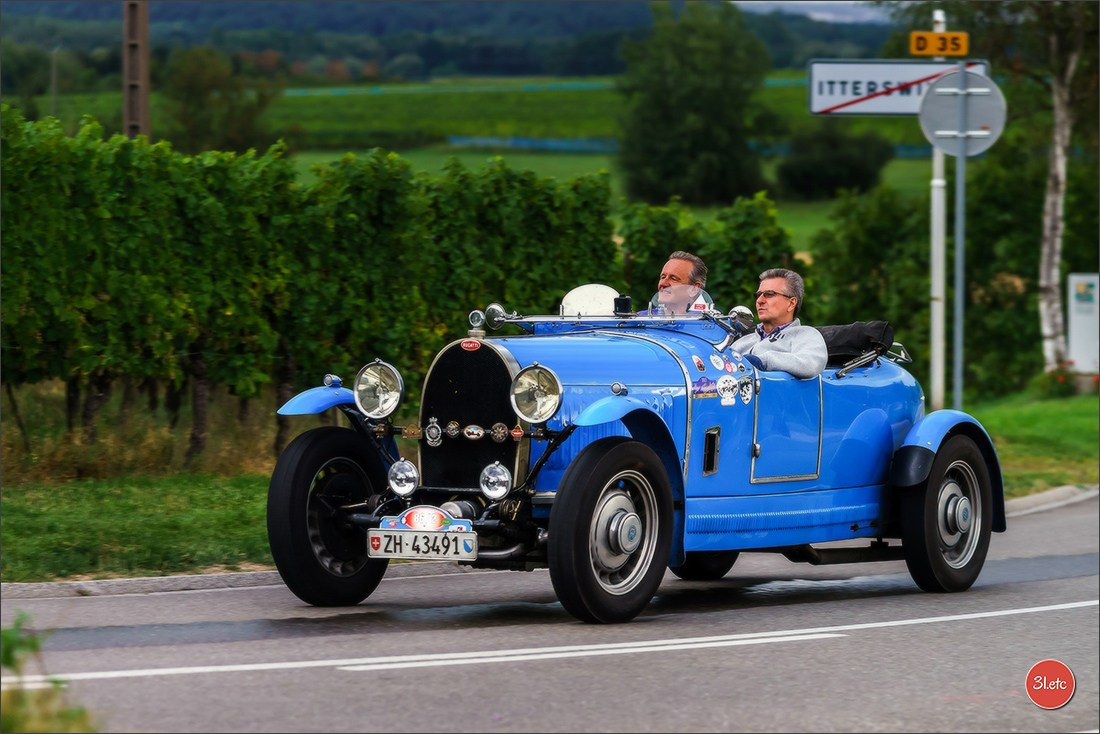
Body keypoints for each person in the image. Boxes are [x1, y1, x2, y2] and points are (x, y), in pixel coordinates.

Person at [732, 268, 827, 379]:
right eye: (758, 295)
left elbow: (811, 364)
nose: (759, 300)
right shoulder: (742, 342)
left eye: (769, 294)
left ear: (791, 303)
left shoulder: (806, 335)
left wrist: (763, 361)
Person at [651, 250, 710, 315]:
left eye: (673, 279)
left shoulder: (714, 323)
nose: (663, 283)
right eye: (663, 277)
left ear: (694, 289)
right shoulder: (642, 321)